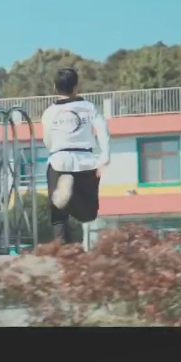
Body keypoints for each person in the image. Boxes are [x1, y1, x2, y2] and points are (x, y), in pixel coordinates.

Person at [39, 67, 110, 244]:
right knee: (88, 214)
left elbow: (47, 141)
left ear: (55, 88)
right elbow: (102, 130)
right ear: (77, 87)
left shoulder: (49, 112)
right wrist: (105, 155)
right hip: (85, 162)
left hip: (58, 161)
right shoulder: (88, 107)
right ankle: (71, 197)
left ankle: (63, 251)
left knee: (58, 217)